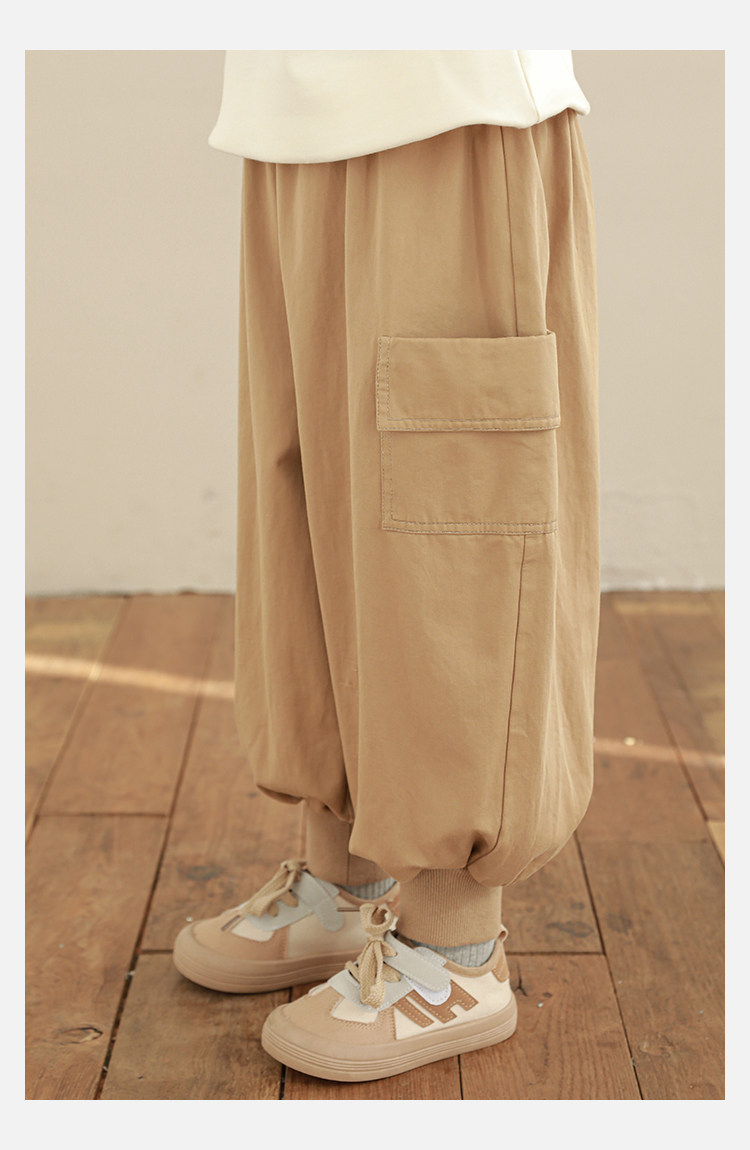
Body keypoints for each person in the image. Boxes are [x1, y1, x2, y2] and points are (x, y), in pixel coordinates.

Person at [173, 49, 600, 1084]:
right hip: (289, 113)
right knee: (309, 499)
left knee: (450, 526)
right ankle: (342, 883)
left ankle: (458, 946)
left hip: (449, 103)